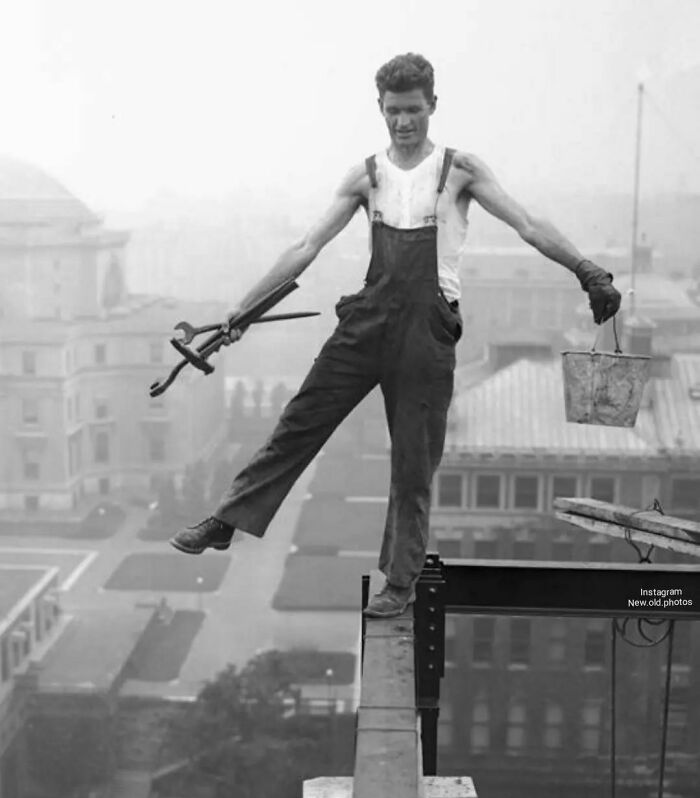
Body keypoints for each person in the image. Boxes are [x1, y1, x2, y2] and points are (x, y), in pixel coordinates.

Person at [170, 53, 620, 618]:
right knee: (299, 421)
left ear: (433, 105)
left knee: (413, 462)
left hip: (427, 332)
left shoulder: (461, 170)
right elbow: (305, 248)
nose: (403, 122)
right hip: (368, 320)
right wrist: (242, 311)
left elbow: (528, 225)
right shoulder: (367, 176)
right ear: (379, 110)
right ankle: (227, 521)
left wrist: (585, 269)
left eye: (413, 110)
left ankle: (399, 581)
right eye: (393, 112)